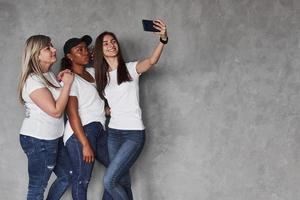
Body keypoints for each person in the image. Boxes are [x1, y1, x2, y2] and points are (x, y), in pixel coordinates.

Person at [93, 19, 168, 200]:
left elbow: (151, 61)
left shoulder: (130, 69)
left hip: (133, 134)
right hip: (113, 133)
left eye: (113, 42)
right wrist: (105, 112)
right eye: (105, 43)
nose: (111, 45)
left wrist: (163, 39)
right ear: (100, 50)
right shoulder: (99, 77)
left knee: (109, 181)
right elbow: (84, 95)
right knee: (122, 180)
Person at [18, 35, 74, 200]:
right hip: (38, 140)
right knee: (37, 188)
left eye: (52, 46)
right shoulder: (33, 81)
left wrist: (62, 81)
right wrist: (68, 84)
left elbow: (57, 97)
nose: (54, 49)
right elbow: (56, 111)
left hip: (53, 138)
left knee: (68, 174)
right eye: (48, 48)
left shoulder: (48, 74)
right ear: (36, 55)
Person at [61, 35, 112, 200]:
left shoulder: (91, 72)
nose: (85, 52)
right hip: (80, 133)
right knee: (82, 179)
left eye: (86, 48)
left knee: (117, 172)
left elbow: (90, 104)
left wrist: (105, 111)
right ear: (70, 57)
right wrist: (85, 144)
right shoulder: (70, 80)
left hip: (98, 128)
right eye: (79, 50)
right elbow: (72, 114)